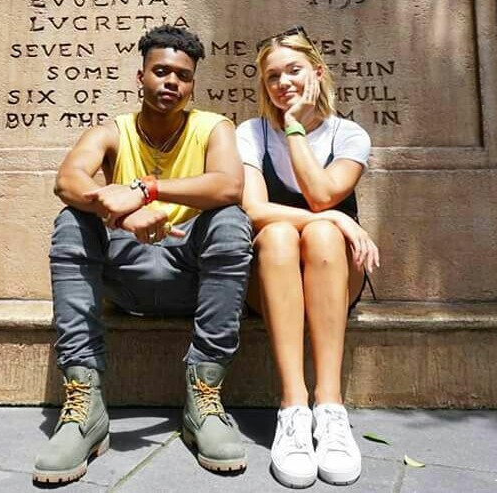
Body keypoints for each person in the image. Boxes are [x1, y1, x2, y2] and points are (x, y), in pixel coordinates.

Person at [33, 25, 253, 484]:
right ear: (141, 76)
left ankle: (204, 395)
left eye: (183, 76)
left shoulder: (214, 127)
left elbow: (229, 185)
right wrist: (122, 212)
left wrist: (146, 189)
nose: (171, 82)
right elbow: (68, 179)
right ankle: (85, 404)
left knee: (231, 220)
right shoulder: (112, 131)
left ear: (192, 85)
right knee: (72, 220)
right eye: (161, 71)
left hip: (188, 275)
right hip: (126, 275)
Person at [236, 26, 380, 488]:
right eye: (272, 76)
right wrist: (339, 218)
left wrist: (295, 126)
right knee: (279, 235)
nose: (283, 83)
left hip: (334, 276)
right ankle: (294, 410)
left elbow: (321, 195)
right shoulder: (251, 133)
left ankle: (330, 408)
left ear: (317, 73)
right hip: (268, 282)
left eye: (293, 70)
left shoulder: (349, 134)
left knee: (320, 234)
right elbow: (253, 210)